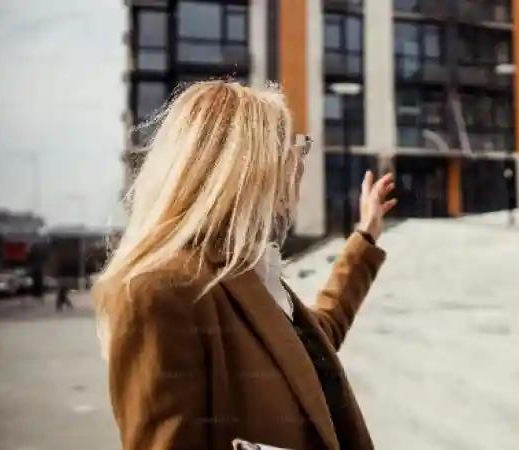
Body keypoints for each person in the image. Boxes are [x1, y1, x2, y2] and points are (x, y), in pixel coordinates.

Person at [92, 81, 397, 450]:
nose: (297, 166)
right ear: (247, 167)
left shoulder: (245, 271)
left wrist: (364, 236)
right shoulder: (158, 292)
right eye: (290, 150)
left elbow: (314, 340)